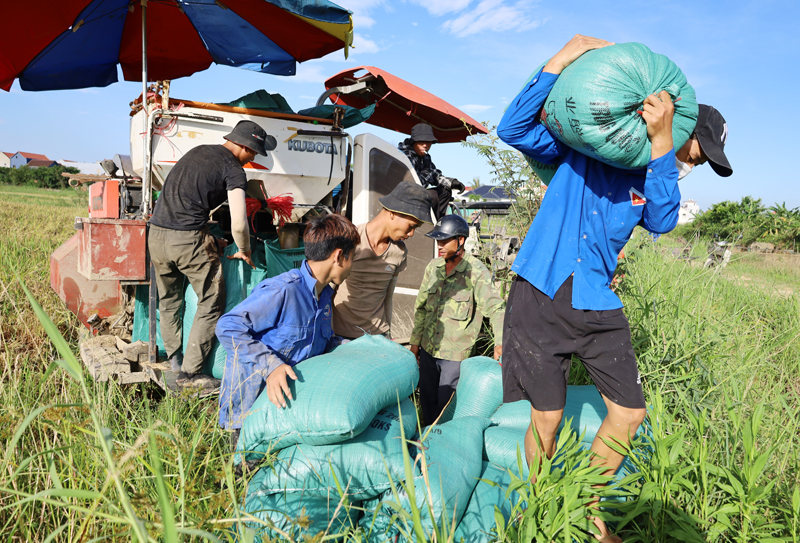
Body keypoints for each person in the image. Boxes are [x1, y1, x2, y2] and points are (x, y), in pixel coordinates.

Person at [497, 35, 733, 542]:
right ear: (689, 126)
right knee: (546, 419)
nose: (698, 159)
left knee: (629, 413)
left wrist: (662, 148)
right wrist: (564, 56)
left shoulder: (655, 173)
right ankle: (540, 510)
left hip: (597, 299)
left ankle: (585, 507)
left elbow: (665, 220)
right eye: (700, 149)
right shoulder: (578, 155)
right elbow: (512, 127)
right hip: (541, 291)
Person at [148, 120, 277, 391]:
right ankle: (190, 374)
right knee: (210, 301)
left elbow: (183, 199)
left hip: (157, 235)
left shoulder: (199, 151)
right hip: (186, 240)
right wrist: (244, 249)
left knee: (169, 299)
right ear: (243, 145)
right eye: (253, 152)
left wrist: (207, 235)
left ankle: (174, 358)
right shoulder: (233, 168)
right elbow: (239, 222)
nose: (252, 158)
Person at [216, 214, 360, 434]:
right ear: (339, 256)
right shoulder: (284, 289)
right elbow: (228, 326)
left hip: (284, 412)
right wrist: (271, 366)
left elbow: (320, 342)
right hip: (248, 414)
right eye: (353, 258)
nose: (352, 267)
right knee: (243, 468)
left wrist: (357, 348)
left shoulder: (324, 297)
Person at [408, 214, 505, 424]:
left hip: (455, 357)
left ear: (461, 240)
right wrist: (415, 343)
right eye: (437, 240)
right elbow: (422, 308)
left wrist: (500, 342)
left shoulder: (475, 271)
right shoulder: (433, 268)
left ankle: (442, 446)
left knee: (446, 409)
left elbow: (496, 308)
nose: (439, 245)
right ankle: (425, 446)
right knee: (426, 404)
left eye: (444, 240)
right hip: (428, 350)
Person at [332, 181, 433, 340]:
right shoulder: (350, 240)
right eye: (411, 226)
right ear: (393, 213)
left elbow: (388, 299)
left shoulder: (399, 252)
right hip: (340, 337)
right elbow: (327, 292)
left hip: (378, 337)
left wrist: (388, 336)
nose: (412, 234)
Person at [398, 123, 466, 220]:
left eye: (429, 142)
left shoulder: (425, 157)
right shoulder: (404, 155)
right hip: (403, 196)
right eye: (422, 141)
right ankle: (426, 222)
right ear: (414, 141)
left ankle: (439, 221)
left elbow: (435, 175)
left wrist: (452, 183)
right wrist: (426, 172)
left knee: (445, 191)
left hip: (417, 196)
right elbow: (413, 184)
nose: (425, 145)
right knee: (432, 196)